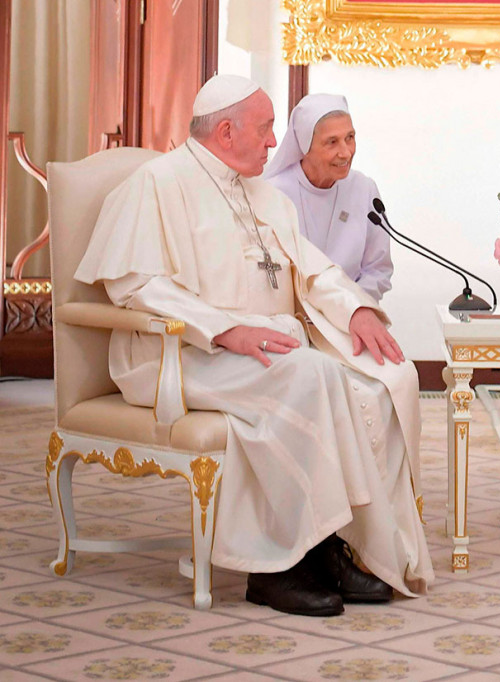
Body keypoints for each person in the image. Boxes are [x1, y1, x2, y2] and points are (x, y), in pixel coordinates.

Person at [75, 74, 433, 617]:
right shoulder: (157, 184)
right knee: (311, 377)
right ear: (225, 131)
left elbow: (312, 271)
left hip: (255, 352)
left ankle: (333, 546)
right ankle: (278, 567)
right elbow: (136, 284)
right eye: (265, 129)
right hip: (176, 354)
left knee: (377, 382)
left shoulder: (261, 193)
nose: (274, 142)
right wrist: (221, 328)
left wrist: (356, 307)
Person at [264, 94, 393, 301]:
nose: (346, 153)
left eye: (350, 138)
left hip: (352, 319)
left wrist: (349, 308)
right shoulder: (273, 194)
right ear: (304, 147)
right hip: (294, 321)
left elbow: (377, 270)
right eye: (332, 142)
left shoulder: (364, 188)